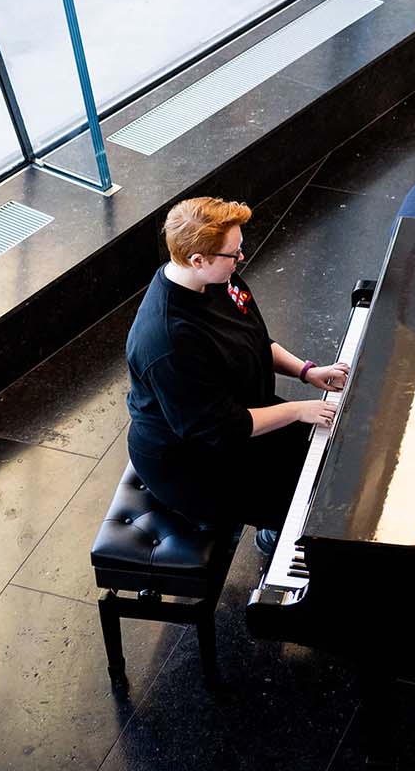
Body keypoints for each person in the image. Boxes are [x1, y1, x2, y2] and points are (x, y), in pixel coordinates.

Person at [124, 196, 350, 554]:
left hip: (239, 411)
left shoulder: (213, 279)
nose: (241, 259)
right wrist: (296, 410)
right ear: (198, 260)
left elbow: (253, 341)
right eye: (234, 253)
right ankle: (277, 533)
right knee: (307, 500)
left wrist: (307, 371)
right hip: (194, 460)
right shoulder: (168, 340)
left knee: (330, 458)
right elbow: (220, 428)